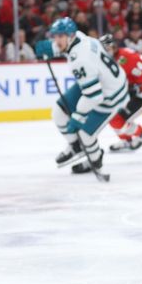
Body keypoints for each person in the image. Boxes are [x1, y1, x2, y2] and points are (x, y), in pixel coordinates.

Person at [35, 17, 129, 175]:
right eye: (55, 36)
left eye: (60, 36)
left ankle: (95, 160)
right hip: (98, 79)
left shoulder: (79, 61)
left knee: (85, 133)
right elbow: (71, 47)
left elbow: (94, 96)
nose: (56, 40)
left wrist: (78, 116)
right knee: (59, 112)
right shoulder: (79, 36)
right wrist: (52, 49)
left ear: (69, 35)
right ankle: (76, 146)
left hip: (110, 94)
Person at [100, 35, 142, 151]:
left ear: (113, 46)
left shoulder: (124, 58)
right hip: (137, 92)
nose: (105, 51)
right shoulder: (118, 57)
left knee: (120, 119)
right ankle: (126, 140)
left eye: (107, 48)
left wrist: (138, 87)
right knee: (113, 117)